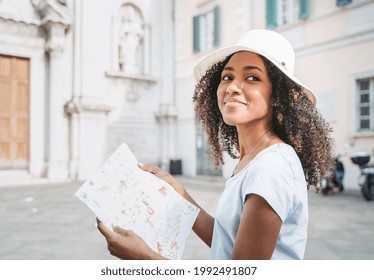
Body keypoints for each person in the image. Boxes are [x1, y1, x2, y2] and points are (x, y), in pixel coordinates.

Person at [97, 29, 334, 260]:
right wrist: (177, 193)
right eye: (227, 77)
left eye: (252, 77)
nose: (232, 87)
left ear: (276, 97)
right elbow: (227, 241)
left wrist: (144, 258)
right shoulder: (255, 158)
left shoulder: (271, 167)